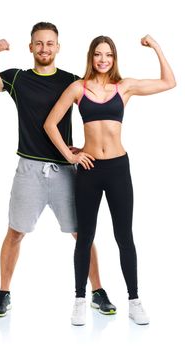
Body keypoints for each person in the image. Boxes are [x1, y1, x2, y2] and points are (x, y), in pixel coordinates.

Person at [0, 22, 116, 317]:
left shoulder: (72, 81)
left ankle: (97, 291)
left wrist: (83, 147)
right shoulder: (17, 78)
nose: (44, 48)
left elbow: (101, 110)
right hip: (29, 170)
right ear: (31, 47)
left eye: (50, 43)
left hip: (65, 171)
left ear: (57, 47)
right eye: (39, 43)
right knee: (15, 233)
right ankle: (3, 293)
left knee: (82, 234)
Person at [44, 34, 176, 326]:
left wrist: (156, 46)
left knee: (124, 236)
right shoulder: (78, 88)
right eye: (98, 54)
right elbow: (50, 123)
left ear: (114, 59)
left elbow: (169, 82)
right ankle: (80, 299)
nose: (103, 59)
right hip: (89, 170)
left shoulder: (124, 87)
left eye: (109, 55)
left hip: (118, 167)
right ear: (91, 57)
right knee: (85, 237)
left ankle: (134, 300)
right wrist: (70, 155)